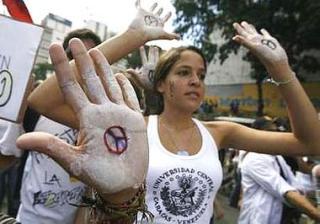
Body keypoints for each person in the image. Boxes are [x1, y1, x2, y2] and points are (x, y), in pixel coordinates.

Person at [15, 3, 320, 224]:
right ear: (161, 84)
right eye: (184, 72)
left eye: (201, 74)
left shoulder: (220, 132)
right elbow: (43, 100)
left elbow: (309, 143)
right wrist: (133, 37)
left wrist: (282, 71)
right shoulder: (130, 130)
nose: (195, 81)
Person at [15, 29, 102, 224]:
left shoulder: (102, 115)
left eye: (90, 58)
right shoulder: (37, 107)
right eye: (73, 57)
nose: (80, 64)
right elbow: (9, 153)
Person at [238, 117, 320, 223]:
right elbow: (285, 191)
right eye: (271, 132)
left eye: (276, 131)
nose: (276, 135)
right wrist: (315, 213)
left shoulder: (277, 156)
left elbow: (295, 184)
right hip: (260, 219)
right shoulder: (255, 159)